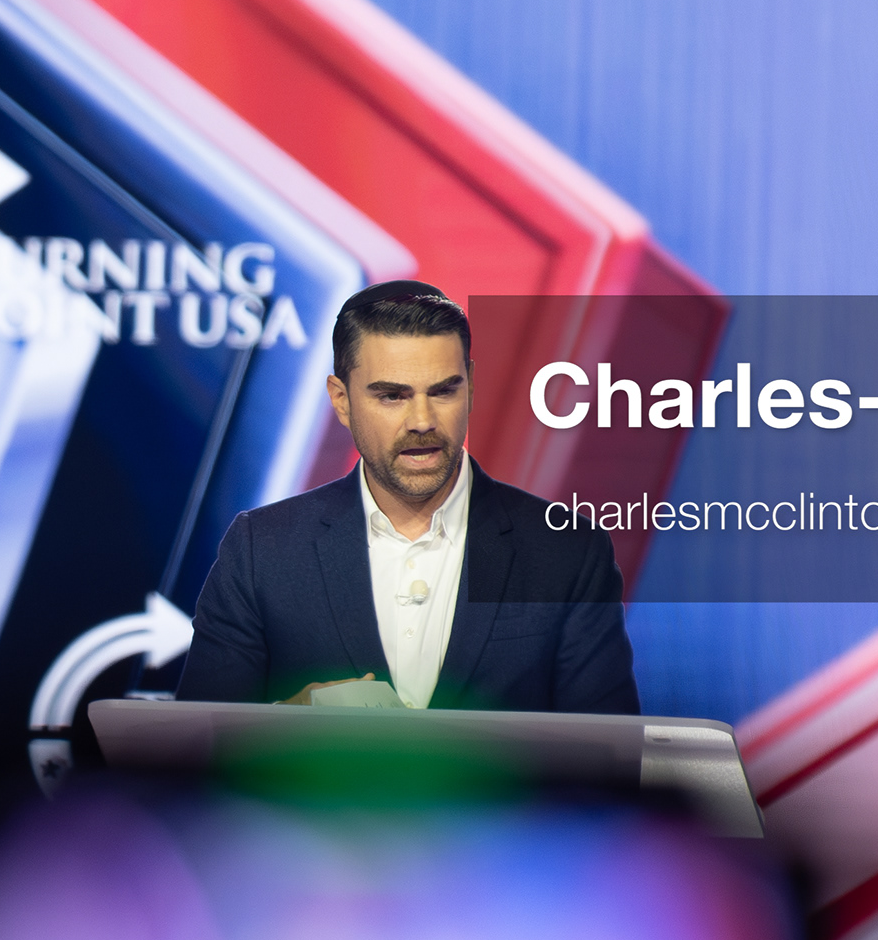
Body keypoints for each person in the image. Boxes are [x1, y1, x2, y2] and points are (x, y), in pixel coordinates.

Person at [177, 281, 637, 714]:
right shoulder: (262, 549)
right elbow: (188, 757)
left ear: (471, 386)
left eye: (443, 391)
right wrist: (286, 721)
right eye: (392, 396)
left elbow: (610, 763)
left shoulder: (568, 550)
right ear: (341, 400)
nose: (422, 420)